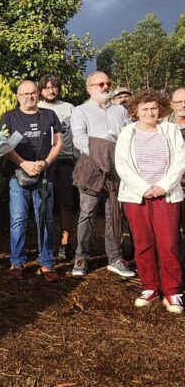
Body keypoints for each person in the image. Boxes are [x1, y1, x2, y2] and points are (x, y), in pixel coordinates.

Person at [115, 90, 185, 313]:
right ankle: (150, 287)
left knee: (169, 243)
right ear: (135, 111)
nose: (150, 112)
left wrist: (162, 186)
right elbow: (122, 165)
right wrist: (144, 188)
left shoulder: (170, 130)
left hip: (167, 195)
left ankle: (173, 291)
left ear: (161, 109)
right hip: (137, 197)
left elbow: (180, 160)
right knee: (143, 243)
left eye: (154, 108)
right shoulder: (127, 133)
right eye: (145, 109)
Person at [70, 71, 134, 278]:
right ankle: (81, 256)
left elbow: (127, 136)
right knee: (86, 212)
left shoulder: (120, 111)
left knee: (113, 213)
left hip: (116, 168)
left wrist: (114, 153)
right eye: (100, 84)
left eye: (108, 83)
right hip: (91, 167)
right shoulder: (80, 111)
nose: (105, 87)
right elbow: (79, 140)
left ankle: (115, 258)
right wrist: (106, 149)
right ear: (89, 88)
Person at [1, 80, 63, 281]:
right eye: (25, 94)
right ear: (18, 96)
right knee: (18, 219)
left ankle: (47, 262)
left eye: (33, 93)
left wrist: (45, 163)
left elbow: (58, 143)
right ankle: (17, 261)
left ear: (38, 94)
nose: (29, 97)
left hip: (45, 177)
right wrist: (23, 164)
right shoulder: (9, 118)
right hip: (17, 177)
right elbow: (4, 147)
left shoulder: (49, 116)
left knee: (45, 218)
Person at [38, 75, 76, 260]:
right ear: (40, 91)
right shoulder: (37, 108)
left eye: (54, 87)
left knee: (65, 204)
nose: (51, 91)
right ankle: (45, 245)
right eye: (46, 88)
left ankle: (65, 243)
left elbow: (76, 135)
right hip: (43, 162)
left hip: (65, 161)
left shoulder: (69, 108)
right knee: (44, 205)